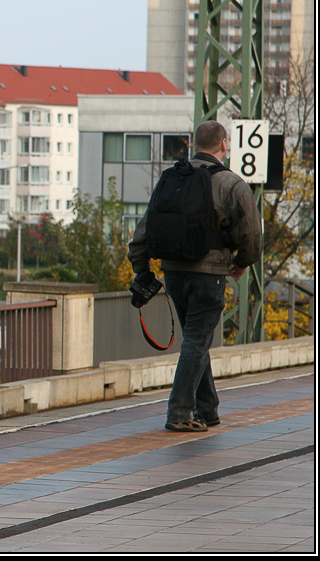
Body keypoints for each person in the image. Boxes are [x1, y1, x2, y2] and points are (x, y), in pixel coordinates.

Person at [128, 120, 262, 432]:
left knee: (194, 339)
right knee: (197, 340)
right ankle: (179, 412)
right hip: (210, 273)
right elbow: (252, 236)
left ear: (194, 143)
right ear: (224, 145)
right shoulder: (232, 184)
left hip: (173, 272)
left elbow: (142, 233)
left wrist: (142, 270)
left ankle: (208, 409)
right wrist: (243, 261)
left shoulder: (171, 179)